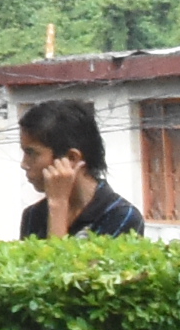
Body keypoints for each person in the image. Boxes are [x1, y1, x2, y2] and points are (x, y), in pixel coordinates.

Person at [16, 98, 148, 237]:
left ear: (72, 158)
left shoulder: (121, 216)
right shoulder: (33, 215)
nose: (24, 164)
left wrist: (58, 206)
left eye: (32, 153)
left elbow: (56, 259)